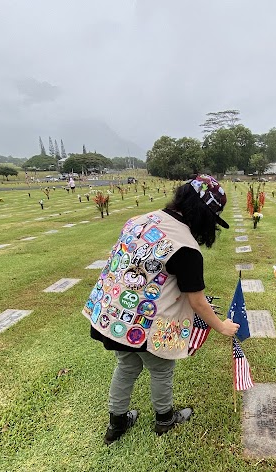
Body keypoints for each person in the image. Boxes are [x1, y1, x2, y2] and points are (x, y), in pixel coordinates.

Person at [83, 174, 239, 444]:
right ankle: (165, 419)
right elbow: (197, 301)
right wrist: (222, 326)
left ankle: (116, 423)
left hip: (115, 315)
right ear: (202, 214)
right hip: (148, 323)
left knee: (126, 366)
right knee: (161, 370)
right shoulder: (186, 247)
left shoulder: (140, 220)